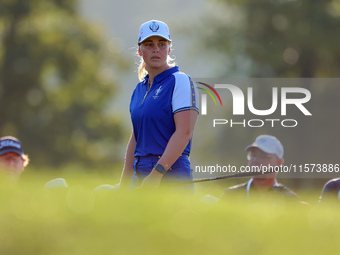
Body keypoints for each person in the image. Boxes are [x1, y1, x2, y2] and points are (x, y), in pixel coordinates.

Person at [119, 20, 199, 189]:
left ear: (169, 49)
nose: (156, 49)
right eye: (149, 44)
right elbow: (137, 135)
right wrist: (125, 182)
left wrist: (157, 173)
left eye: (161, 44)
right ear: (140, 51)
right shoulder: (139, 89)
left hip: (172, 171)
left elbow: (184, 132)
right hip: (139, 171)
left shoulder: (181, 81)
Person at [220, 135, 299, 203]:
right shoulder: (230, 195)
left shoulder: (290, 200)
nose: (256, 160)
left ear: (279, 163)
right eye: (253, 155)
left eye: (264, 156)